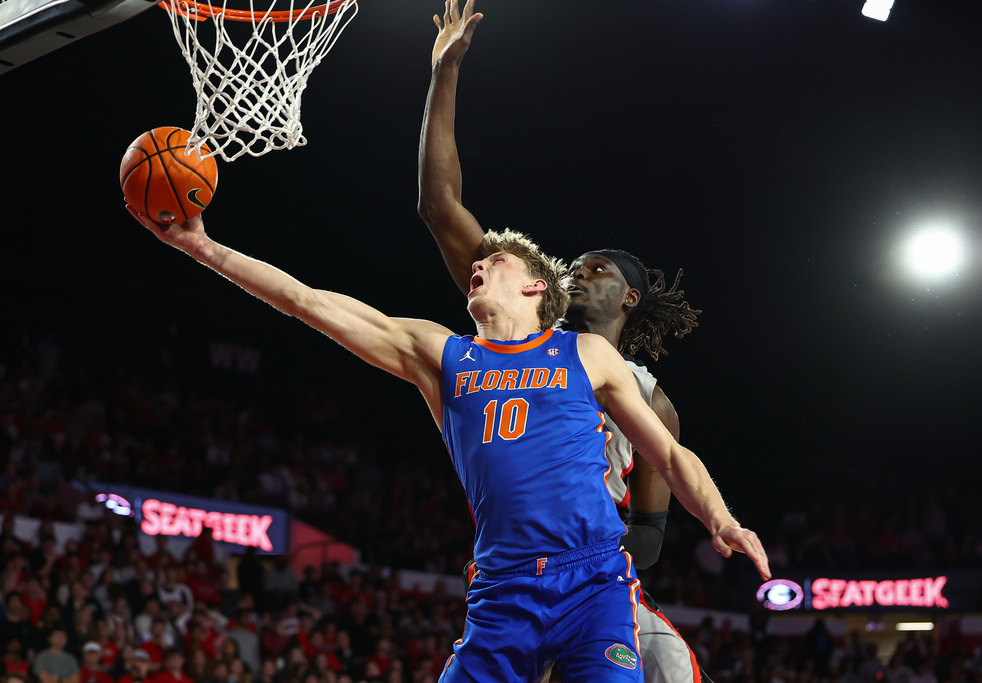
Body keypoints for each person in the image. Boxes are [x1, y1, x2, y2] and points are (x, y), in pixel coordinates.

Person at [125, 195, 769, 682]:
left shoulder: (588, 353)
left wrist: (722, 518)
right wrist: (203, 248)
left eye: (495, 261)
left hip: (593, 583)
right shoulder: (440, 354)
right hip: (502, 591)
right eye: (476, 264)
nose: (478, 266)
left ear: (535, 284)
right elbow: (304, 300)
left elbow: (671, 454)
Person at [417, 2, 727, 681]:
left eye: (598, 269)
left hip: (599, 582)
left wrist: (584, 576)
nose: (576, 273)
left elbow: (647, 534)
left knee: (674, 666)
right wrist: (446, 74)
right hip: (510, 569)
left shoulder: (650, 396)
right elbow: (440, 205)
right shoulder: (522, 325)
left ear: (631, 296)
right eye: (571, 267)